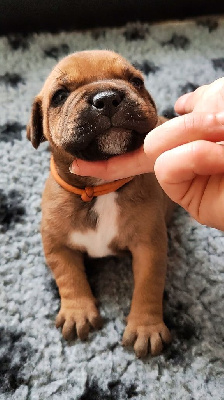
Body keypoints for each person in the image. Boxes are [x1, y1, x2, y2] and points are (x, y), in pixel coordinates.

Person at [70, 77, 224, 231]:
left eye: (134, 82)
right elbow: (57, 249)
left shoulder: (159, 163)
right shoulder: (55, 205)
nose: (106, 99)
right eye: (61, 96)